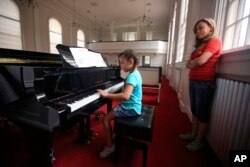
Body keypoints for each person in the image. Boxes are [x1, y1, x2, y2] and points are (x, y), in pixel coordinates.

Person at [179, 18, 222, 152]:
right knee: (195, 110)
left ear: (210, 27)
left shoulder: (215, 41)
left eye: (201, 28)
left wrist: (195, 62)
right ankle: (193, 134)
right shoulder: (200, 46)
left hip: (205, 82)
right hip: (194, 81)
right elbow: (189, 63)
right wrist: (194, 62)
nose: (198, 31)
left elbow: (201, 61)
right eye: (196, 30)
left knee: (202, 113)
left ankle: (199, 141)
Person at [97, 49, 142, 158]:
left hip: (130, 108)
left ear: (130, 62)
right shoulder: (135, 72)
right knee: (113, 110)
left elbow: (126, 96)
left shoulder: (131, 76)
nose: (120, 66)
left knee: (105, 119)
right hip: (134, 106)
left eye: (122, 63)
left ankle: (110, 147)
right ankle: (114, 134)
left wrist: (107, 95)